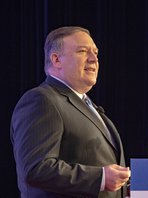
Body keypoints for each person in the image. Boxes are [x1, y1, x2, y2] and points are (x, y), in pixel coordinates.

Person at [10, 26, 130, 198]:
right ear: (56, 59)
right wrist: (101, 178)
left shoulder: (88, 105)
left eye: (95, 53)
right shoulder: (42, 100)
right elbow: (36, 168)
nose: (93, 59)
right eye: (82, 51)